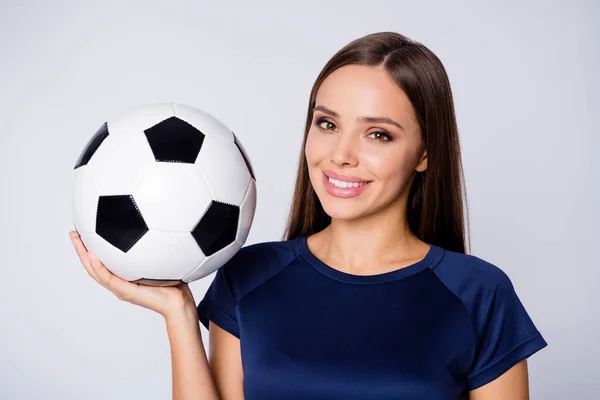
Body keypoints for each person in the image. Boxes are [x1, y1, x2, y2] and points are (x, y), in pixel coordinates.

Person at [69, 31, 547, 399]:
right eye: (327, 123)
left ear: (425, 152)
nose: (340, 154)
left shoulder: (479, 294)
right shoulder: (249, 277)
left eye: (378, 134)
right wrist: (178, 311)